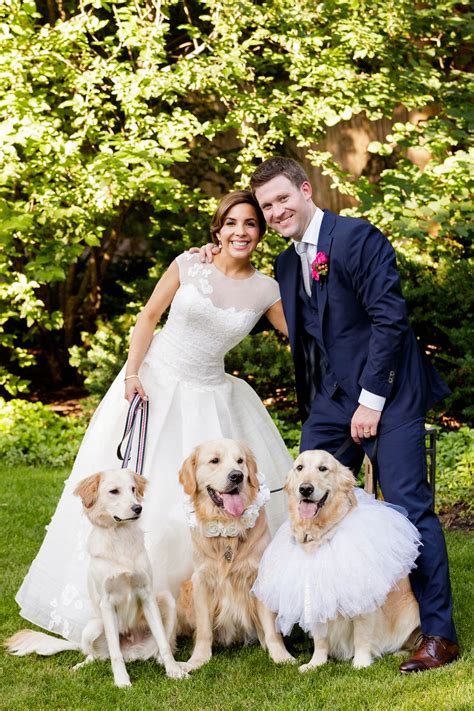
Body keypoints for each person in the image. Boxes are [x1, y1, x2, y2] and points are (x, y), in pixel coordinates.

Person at [199, 157, 459, 673]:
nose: (274, 212)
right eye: (266, 206)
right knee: (302, 496)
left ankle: (437, 634)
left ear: (305, 189)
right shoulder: (288, 264)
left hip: (391, 392)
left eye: (281, 200)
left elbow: (390, 320)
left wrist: (372, 400)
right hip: (332, 400)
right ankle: (318, 614)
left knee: (409, 506)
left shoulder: (358, 237)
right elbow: (296, 328)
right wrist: (214, 256)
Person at [15, 190, 292, 644]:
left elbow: (305, 337)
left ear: (261, 233)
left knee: (214, 499)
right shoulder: (188, 264)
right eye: (232, 224)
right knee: (148, 490)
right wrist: (131, 374)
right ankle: (129, 603)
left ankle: (200, 609)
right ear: (218, 229)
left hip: (214, 398)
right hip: (156, 385)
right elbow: (148, 317)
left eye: (250, 225)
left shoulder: (266, 290)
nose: (240, 232)